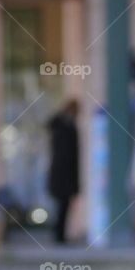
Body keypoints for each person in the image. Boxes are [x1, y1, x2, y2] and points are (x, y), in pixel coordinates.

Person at [46, 99, 80, 244]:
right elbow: (66, 155)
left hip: (65, 176)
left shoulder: (67, 125)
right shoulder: (63, 127)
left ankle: (60, 234)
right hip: (62, 176)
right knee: (61, 207)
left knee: (64, 207)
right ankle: (59, 235)